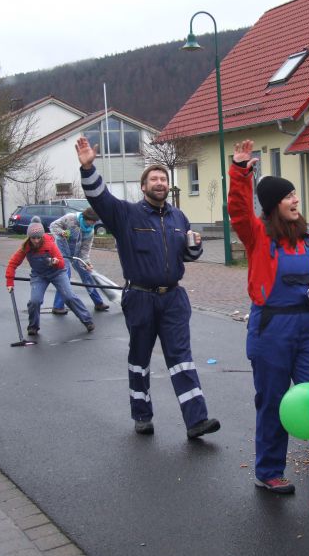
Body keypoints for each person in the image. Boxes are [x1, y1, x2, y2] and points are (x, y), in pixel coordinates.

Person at [75, 136, 220, 439]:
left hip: (173, 298)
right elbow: (100, 198)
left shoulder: (178, 217)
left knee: (181, 358)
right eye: (153, 179)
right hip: (140, 297)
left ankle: (197, 420)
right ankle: (142, 415)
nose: (159, 183)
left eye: (163, 179)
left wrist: (195, 247)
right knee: (140, 357)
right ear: (143, 187)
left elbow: (187, 255)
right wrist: (88, 168)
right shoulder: (126, 215)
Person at [227, 139, 309, 495]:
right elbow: (239, 210)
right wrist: (240, 173)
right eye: (288, 197)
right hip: (271, 329)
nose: (295, 200)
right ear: (273, 206)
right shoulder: (257, 235)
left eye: (295, 194)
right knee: (272, 400)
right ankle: (269, 471)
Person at [5, 216, 95, 336]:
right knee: (35, 301)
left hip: (57, 273)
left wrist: (55, 262)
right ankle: (33, 326)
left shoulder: (50, 244)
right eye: (33, 238)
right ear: (29, 237)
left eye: (38, 237)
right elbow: (12, 264)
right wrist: (9, 282)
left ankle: (87, 320)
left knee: (69, 297)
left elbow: (62, 263)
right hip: (39, 275)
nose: (36, 240)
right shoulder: (25, 247)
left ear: (42, 236)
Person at [50, 207, 109, 315]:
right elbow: (53, 226)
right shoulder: (70, 218)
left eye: (95, 221)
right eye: (92, 221)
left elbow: (85, 249)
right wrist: (62, 232)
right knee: (65, 275)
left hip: (76, 253)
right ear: (86, 218)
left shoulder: (90, 231)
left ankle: (98, 303)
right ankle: (57, 306)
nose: (93, 223)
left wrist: (87, 263)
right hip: (62, 250)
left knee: (87, 274)